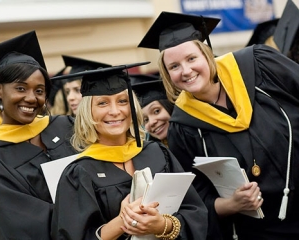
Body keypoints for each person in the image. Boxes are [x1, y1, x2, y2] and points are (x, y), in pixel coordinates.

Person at [138, 11, 299, 240]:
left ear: (207, 54)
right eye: (174, 66)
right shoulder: (183, 128)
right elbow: (196, 198)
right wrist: (231, 204)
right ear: (166, 74)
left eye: (191, 58)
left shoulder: (259, 64)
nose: (185, 71)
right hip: (263, 231)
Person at [51, 63, 208, 240]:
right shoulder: (79, 173)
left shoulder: (157, 153)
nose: (115, 111)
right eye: (102, 103)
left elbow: (195, 213)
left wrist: (163, 225)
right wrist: (121, 222)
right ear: (88, 112)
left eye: (122, 101)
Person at [0, 31, 77, 240]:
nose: (31, 98)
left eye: (39, 91)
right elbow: (22, 225)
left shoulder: (65, 126)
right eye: (21, 88)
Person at [131, 74, 174, 144]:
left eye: (156, 111)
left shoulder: (195, 138)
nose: (151, 122)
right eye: (145, 120)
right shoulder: (152, 153)